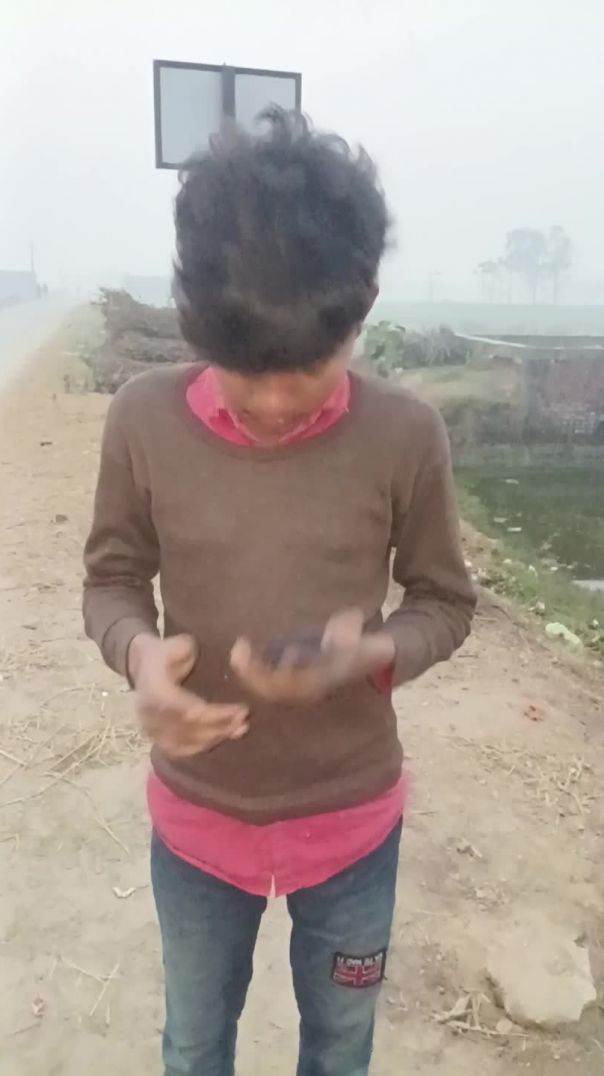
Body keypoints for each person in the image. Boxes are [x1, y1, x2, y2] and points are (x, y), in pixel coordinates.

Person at [83, 108, 475, 1076]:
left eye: (303, 368)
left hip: (352, 824)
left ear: (362, 306)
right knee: (192, 1044)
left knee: (339, 1046)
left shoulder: (405, 436)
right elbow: (112, 579)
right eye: (243, 368)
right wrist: (140, 657)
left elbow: (443, 601)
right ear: (193, 318)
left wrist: (371, 653)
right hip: (196, 820)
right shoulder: (141, 421)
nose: (270, 400)